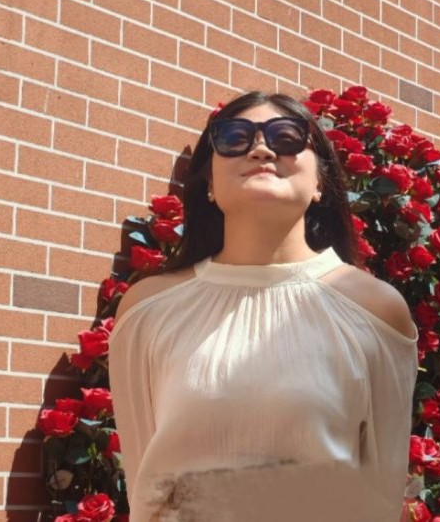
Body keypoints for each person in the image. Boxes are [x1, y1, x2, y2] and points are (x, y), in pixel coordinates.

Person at [108, 91, 418, 522]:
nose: (260, 149)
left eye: (287, 137)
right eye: (234, 137)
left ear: (320, 182)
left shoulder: (374, 311)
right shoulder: (148, 309)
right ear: (209, 183)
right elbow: (146, 488)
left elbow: (382, 495)